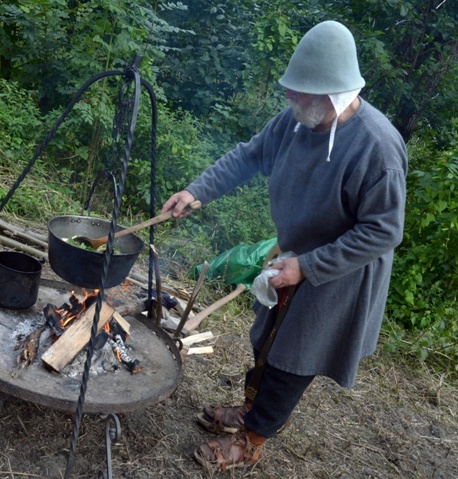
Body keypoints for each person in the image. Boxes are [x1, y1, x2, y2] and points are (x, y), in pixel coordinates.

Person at [162, 20, 407, 472]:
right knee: (265, 340)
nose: (289, 98)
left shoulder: (378, 149)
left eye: (300, 92)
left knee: (293, 359)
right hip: (296, 255)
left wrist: (308, 267)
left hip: (341, 272)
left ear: (331, 95)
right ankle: (249, 411)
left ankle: (250, 440)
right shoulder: (296, 122)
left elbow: (383, 231)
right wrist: (198, 191)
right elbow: (250, 155)